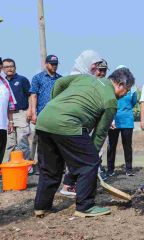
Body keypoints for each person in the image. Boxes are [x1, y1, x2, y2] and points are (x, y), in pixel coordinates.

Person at [34, 69, 135, 218]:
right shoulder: (111, 101)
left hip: (45, 119)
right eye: (127, 90)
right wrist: (91, 159)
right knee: (89, 163)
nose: (126, 94)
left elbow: (60, 82)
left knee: (50, 168)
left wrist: (57, 104)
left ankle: (41, 207)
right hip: (69, 123)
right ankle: (85, 206)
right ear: (120, 84)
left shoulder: (85, 78)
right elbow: (99, 134)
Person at [60, 50, 105, 196]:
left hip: (84, 123)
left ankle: (72, 185)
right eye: (94, 65)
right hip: (73, 123)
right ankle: (71, 186)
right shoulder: (74, 78)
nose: (96, 69)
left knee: (84, 157)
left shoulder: (89, 78)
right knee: (81, 157)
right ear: (86, 62)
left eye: (98, 66)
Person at [28, 55, 62, 172]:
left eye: (56, 64)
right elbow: (33, 95)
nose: (54, 66)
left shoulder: (60, 79)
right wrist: (33, 113)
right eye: (52, 64)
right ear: (46, 64)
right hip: (42, 114)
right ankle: (41, 167)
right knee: (41, 141)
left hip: (57, 115)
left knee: (57, 141)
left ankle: (57, 167)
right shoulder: (37, 78)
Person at [107, 66, 137, 176]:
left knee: (127, 145)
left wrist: (125, 110)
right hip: (113, 120)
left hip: (127, 121)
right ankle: (110, 170)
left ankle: (128, 169)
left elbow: (134, 102)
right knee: (111, 145)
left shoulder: (132, 90)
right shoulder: (112, 88)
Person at [2, 58, 31, 160]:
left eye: (11, 66)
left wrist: (30, 111)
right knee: (9, 144)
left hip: (21, 114)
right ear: (2, 68)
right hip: (7, 116)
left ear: (15, 67)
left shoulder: (22, 80)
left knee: (22, 142)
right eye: (6, 66)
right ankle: (6, 168)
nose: (9, 68)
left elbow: (30, 95)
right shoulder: (3, 82)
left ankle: (27, 166)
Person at [0, 74, 15, 163]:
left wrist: (11, 121)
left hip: (2, 124)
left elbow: (11, 105)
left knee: (1, 149)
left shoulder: (5, 83)